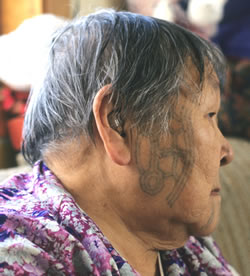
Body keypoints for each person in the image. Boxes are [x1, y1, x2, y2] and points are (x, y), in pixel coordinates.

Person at [0, 10, 237, 275]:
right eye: (210, 115)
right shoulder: (17, 255)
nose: (227, 153)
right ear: (118, 124)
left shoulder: (187, 245)